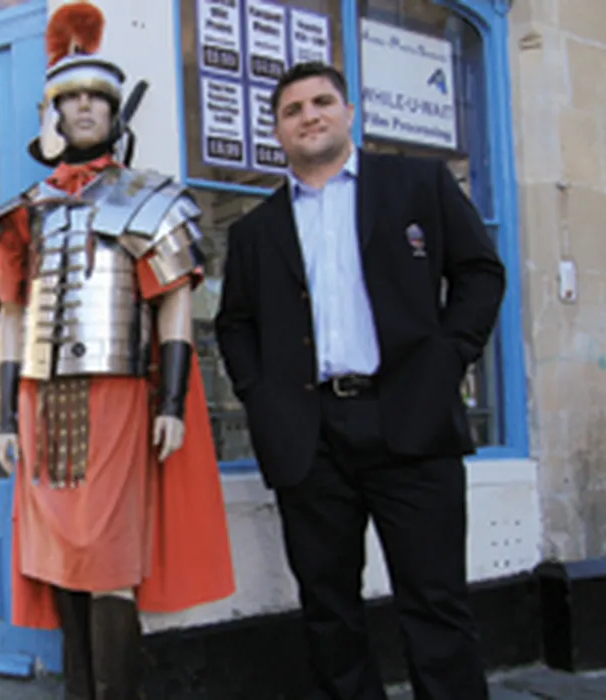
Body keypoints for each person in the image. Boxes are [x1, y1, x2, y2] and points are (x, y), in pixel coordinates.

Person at [214, 61, 505, 700]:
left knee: (435, 603)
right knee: (329, 610)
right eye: (292, 110)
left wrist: (450, 356)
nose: (309, 116)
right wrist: (261, 396)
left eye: (322, 102)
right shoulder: (256, 230)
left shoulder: (418, 183)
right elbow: (234, 324)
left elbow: (480, 273)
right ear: (278, 131)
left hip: (412, 418)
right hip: (309, 438)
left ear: (348, 113)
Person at [0, 2, 235, 698]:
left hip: (118, 395)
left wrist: (172, 401)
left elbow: (172, 302)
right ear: (55, 114)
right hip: (39, 398)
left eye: (97, 96)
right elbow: (11, 315)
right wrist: (3, 416)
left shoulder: (153, 200)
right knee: (56, 551)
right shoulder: (23, 212)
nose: (85, 106)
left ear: (115, 111)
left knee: (108, 551)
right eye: (72, 97)